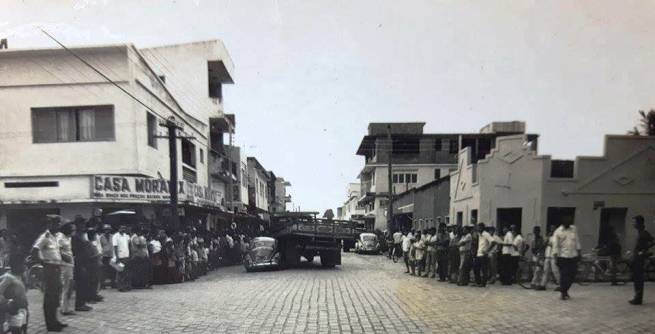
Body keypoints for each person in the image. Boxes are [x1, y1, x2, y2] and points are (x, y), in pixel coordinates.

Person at [32, 217, 67, 331]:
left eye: (58, 224)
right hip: (50, 269)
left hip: (57, 268)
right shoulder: (45, 237)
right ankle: (50, 325)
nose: (57, 226)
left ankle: (55, 320)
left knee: (56, 296)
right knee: (50, 297)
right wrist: (43, 263)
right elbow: (35, 250)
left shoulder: (55, 237)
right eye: (55, 224)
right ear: (49, 224)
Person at [552, 217, 582, 300]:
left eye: (569, 220)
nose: (568, 221)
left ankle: (564, 290)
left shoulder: (574, 229)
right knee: (564, 275)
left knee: (572, 275)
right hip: (563, 256)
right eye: (566, 220)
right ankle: (563, 293)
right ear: (563, 222)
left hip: (573, 256)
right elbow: (555, 246)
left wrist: (579, 253)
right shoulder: (558, 231)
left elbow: (577, 241)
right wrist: (555, 258)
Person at [0, 253, 29, 334]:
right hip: (14, 307)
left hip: (22, 305)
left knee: (23, 322)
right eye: (22, 265)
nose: (24, 267)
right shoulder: (8, 277)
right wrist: (7, 303)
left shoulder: (21, 277)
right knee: (15, 327)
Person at [629, 215, 654, 305]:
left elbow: (652, 241)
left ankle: (638, 299)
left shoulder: (644, 232)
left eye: (634, 222)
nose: (633, 224)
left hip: (639, 259)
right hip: (636, 258)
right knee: (636, 278)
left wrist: (643, 251)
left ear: (639, 223)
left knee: (638, 278)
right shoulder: (640, 232)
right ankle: (637, 297)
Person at [71, 216, 93, 312]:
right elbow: (75, 251)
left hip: (85, 262)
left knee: (84, 283)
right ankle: (79, 304)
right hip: (80, 263)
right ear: (77, 224)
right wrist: (80, 265)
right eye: (82, 223)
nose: (84, 225)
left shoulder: (81, 235)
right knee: (80, 284)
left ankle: (82, 303)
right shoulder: (75, 236)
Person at [56, 222, 75, 316]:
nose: (73, 230)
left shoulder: (68, 237)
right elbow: (57, 250)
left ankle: (65, 307)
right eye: (71, 228)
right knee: (66, 286)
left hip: (70, 264)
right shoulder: (60, 237)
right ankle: (64, 309)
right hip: (64, 265)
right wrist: (65, 257)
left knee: (69, 286)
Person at [474, 223, 495, 287]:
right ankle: (478, 282)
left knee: (484, 270)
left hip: (483, 255)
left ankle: (483, 283)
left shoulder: (486, 234)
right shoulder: (479, 234)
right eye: (478, 227)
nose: (478, 229)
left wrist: (487, 251)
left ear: (483, 228)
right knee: (476, 269)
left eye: (480, 227)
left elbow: (493, 242)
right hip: (478, 254)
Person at [112, 225, 132, 291]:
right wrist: (117, 257)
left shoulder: (126, 236)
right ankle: (120, 287)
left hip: (126, 255)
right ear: (119, 228)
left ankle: (126, 286)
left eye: (124, 228)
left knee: (126, 272)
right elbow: (115, 247)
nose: (123, 229)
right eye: (122, 228)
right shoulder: (115, 236)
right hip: (120, 256)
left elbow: (129, 245)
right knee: (120, 271)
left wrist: (130, 254)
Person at [99, 224, 115, 289]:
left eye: (108, 230)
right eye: (106, 230)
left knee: (112, 270)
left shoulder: (113, 236)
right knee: (104, 270)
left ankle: (113, 283)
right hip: (104, 256)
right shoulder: (101, 237)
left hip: (111, 255)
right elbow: (100, 246)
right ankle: (102, 284)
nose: (107, 231)